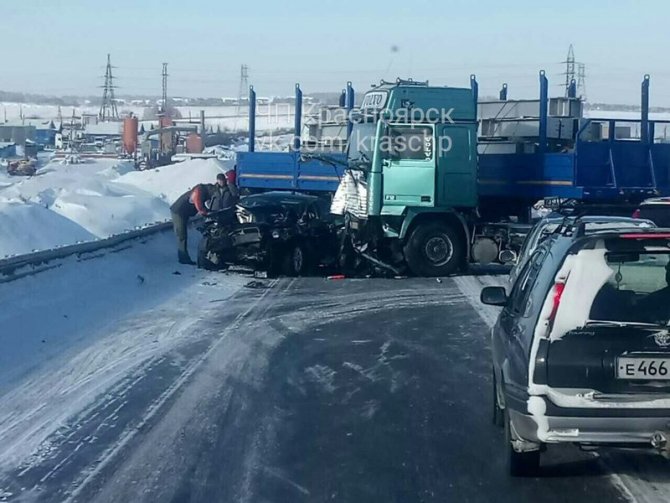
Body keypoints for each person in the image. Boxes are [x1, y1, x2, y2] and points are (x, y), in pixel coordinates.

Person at [170, 181, 219, 264]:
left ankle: (183, 257)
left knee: (183, 235)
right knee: (182, 235)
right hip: (178, 212)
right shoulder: (199, 191)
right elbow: (199, 206)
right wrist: (206, 213)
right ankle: (183, 259)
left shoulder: (205, 191)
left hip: (184, 212)